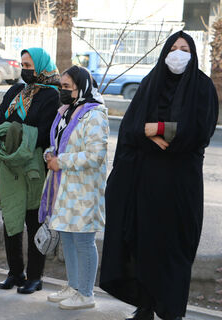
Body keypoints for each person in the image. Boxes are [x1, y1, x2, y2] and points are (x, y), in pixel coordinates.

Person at [99, 31, 219, 320]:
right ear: (165, 52)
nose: (178, 53)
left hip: (180, 186)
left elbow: (198, 131)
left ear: (193, 54)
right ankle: (146, 306)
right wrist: (147, 133)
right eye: (174, 48)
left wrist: (159, 128)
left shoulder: (201, 87)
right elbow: (130, 128)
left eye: (185, 48)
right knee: (144, 245)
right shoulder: (150, 83)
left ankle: (171, 311)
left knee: (174, 248)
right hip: (146, 185)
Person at [0, 47, 61, 294]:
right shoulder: (14, 92)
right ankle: (15, 272)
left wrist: (15, 133)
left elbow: (44, 132)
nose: (25, 70)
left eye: (30, 65)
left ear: (42, 66)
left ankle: (35, 277)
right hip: (10, 166)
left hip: (34, 170)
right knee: (11, 221)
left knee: (34, 223)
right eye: (22, 64)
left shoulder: (53, 96)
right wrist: (14, 134)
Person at [40, 66, 108, 309]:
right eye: (62, 86)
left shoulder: (95, 115)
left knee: (83, 241)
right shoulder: (66, 111)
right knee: (67, 237)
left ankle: (86, 293)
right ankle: (74, 285)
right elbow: (58, 144)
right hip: (64, 186)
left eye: (68, 87)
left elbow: (95, 155)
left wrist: (62, 162)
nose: (63, 91)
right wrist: (50, 155)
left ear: (83, 87)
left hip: (84, 189)